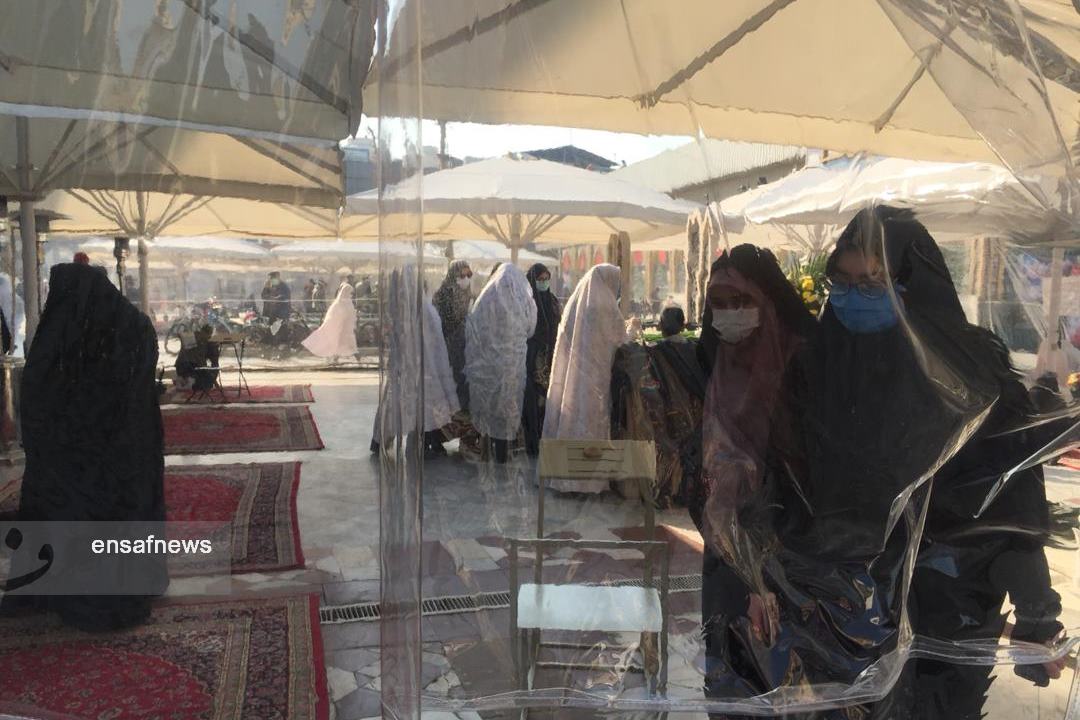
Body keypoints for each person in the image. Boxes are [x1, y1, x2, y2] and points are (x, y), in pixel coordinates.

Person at [686, 245, 818, 708]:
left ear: (768, 301)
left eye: (741, 301)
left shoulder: (801, 365)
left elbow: (804, 473)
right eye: (718, 304)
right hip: (724, 551)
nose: (729, 314)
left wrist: (764, 573)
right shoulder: (711, 359)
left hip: (787, 551)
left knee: (781, 679)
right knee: (726, 668)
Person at [2, 262, 166, 631]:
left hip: (76, 452)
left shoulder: (68, 328)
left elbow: (42, 392)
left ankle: (77, 592)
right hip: (130, 444)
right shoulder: (132, 324)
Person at [543, 263, 626, 493]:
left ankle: (568, 476)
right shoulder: (605, 305)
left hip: (574, 376)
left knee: (573, 421)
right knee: (592, 424)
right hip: (596, 379)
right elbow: (619, 338)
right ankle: (588, 480)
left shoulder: (576, 301)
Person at [372, 265, 460, 456]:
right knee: (421, 403)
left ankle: (386, 439)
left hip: (411, 367)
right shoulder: (422, 308)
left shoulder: (402, 308)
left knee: (401, 403)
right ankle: (425, 438)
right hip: (423, 367)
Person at [465, 264, 536, 463]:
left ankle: (487, 450)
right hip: (513, 367)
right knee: (508, 409)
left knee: (490, 408)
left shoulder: (486, 298)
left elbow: (473, 328)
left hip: (488, 367)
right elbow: (531, 328)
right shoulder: (522, 299)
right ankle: (503, 454)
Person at [522, 263, 561, 457]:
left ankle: (547, 441)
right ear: (532, 280)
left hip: (551, 355)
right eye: (540, 279)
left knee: (548, 400)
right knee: (532, 400)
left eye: (546, 279)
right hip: (531, 357)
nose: (544, 283)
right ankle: (533, 442)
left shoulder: (552, 301)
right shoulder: (527, 301)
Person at [432, 261, 474, 411]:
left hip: (464, 344)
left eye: (468, 275)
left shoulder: (467, 292)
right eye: (462, 275)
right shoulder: (443, 293)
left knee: (463, 378)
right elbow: (441, 321)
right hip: (447, 344)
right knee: (451, 378)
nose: (466, 278)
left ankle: (462, 410)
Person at [301, 280, 358, 361]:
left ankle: (338, 358)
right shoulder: (338, 303)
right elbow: (332, 316)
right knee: (345, 344)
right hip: (341, 328)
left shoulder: (346, 302)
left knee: (346, 344)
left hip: (346, 329)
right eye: (350, 292)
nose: (351, 294)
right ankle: (356, 359)